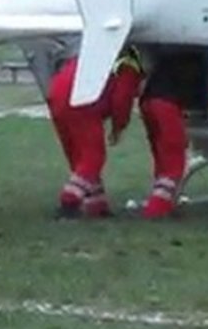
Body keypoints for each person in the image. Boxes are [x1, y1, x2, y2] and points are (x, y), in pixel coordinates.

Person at [47, 46, 143, 218]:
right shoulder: (128, 64)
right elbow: (122, 98)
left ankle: (96, 203)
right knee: (93, 157)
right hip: (82, 102)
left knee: (78, 156)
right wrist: (118, 126)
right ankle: (69, 200)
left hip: (58, 93)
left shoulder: (100, 50)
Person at [137, 51, 193, 219]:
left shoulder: (168, 54)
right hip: (167, 105)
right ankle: (157, 208)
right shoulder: (193, 58)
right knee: (175, 161)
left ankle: (163, 199)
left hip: (148, 102)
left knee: (161, 156)